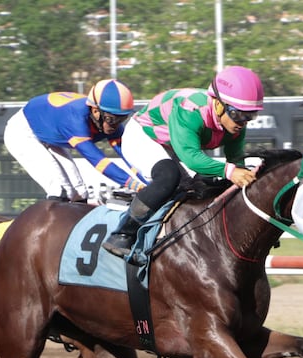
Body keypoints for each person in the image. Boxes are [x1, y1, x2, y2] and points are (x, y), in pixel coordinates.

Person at [103, 65, 264, 260]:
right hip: (143, 136)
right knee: (169, 176)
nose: (243, 122)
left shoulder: (236, 125)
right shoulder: (191, 110)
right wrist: (230, 171)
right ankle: (122, 234)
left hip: (174, 143)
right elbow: (191, 157)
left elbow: (235, 162)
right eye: (238, 114)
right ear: (219, 104)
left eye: (250, 116)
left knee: (206, 184)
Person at [3, 78, 148, 203]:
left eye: (121, 119)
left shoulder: (108, 122)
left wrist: (149, 183)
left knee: (79, 193)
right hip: (22, 132)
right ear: (95, 111)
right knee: (60, 190)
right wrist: (135, 186)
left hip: (50, 131)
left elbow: (130, 159)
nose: (115, 125)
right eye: (111, 119)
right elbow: (99, 162)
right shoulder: (75, 120)